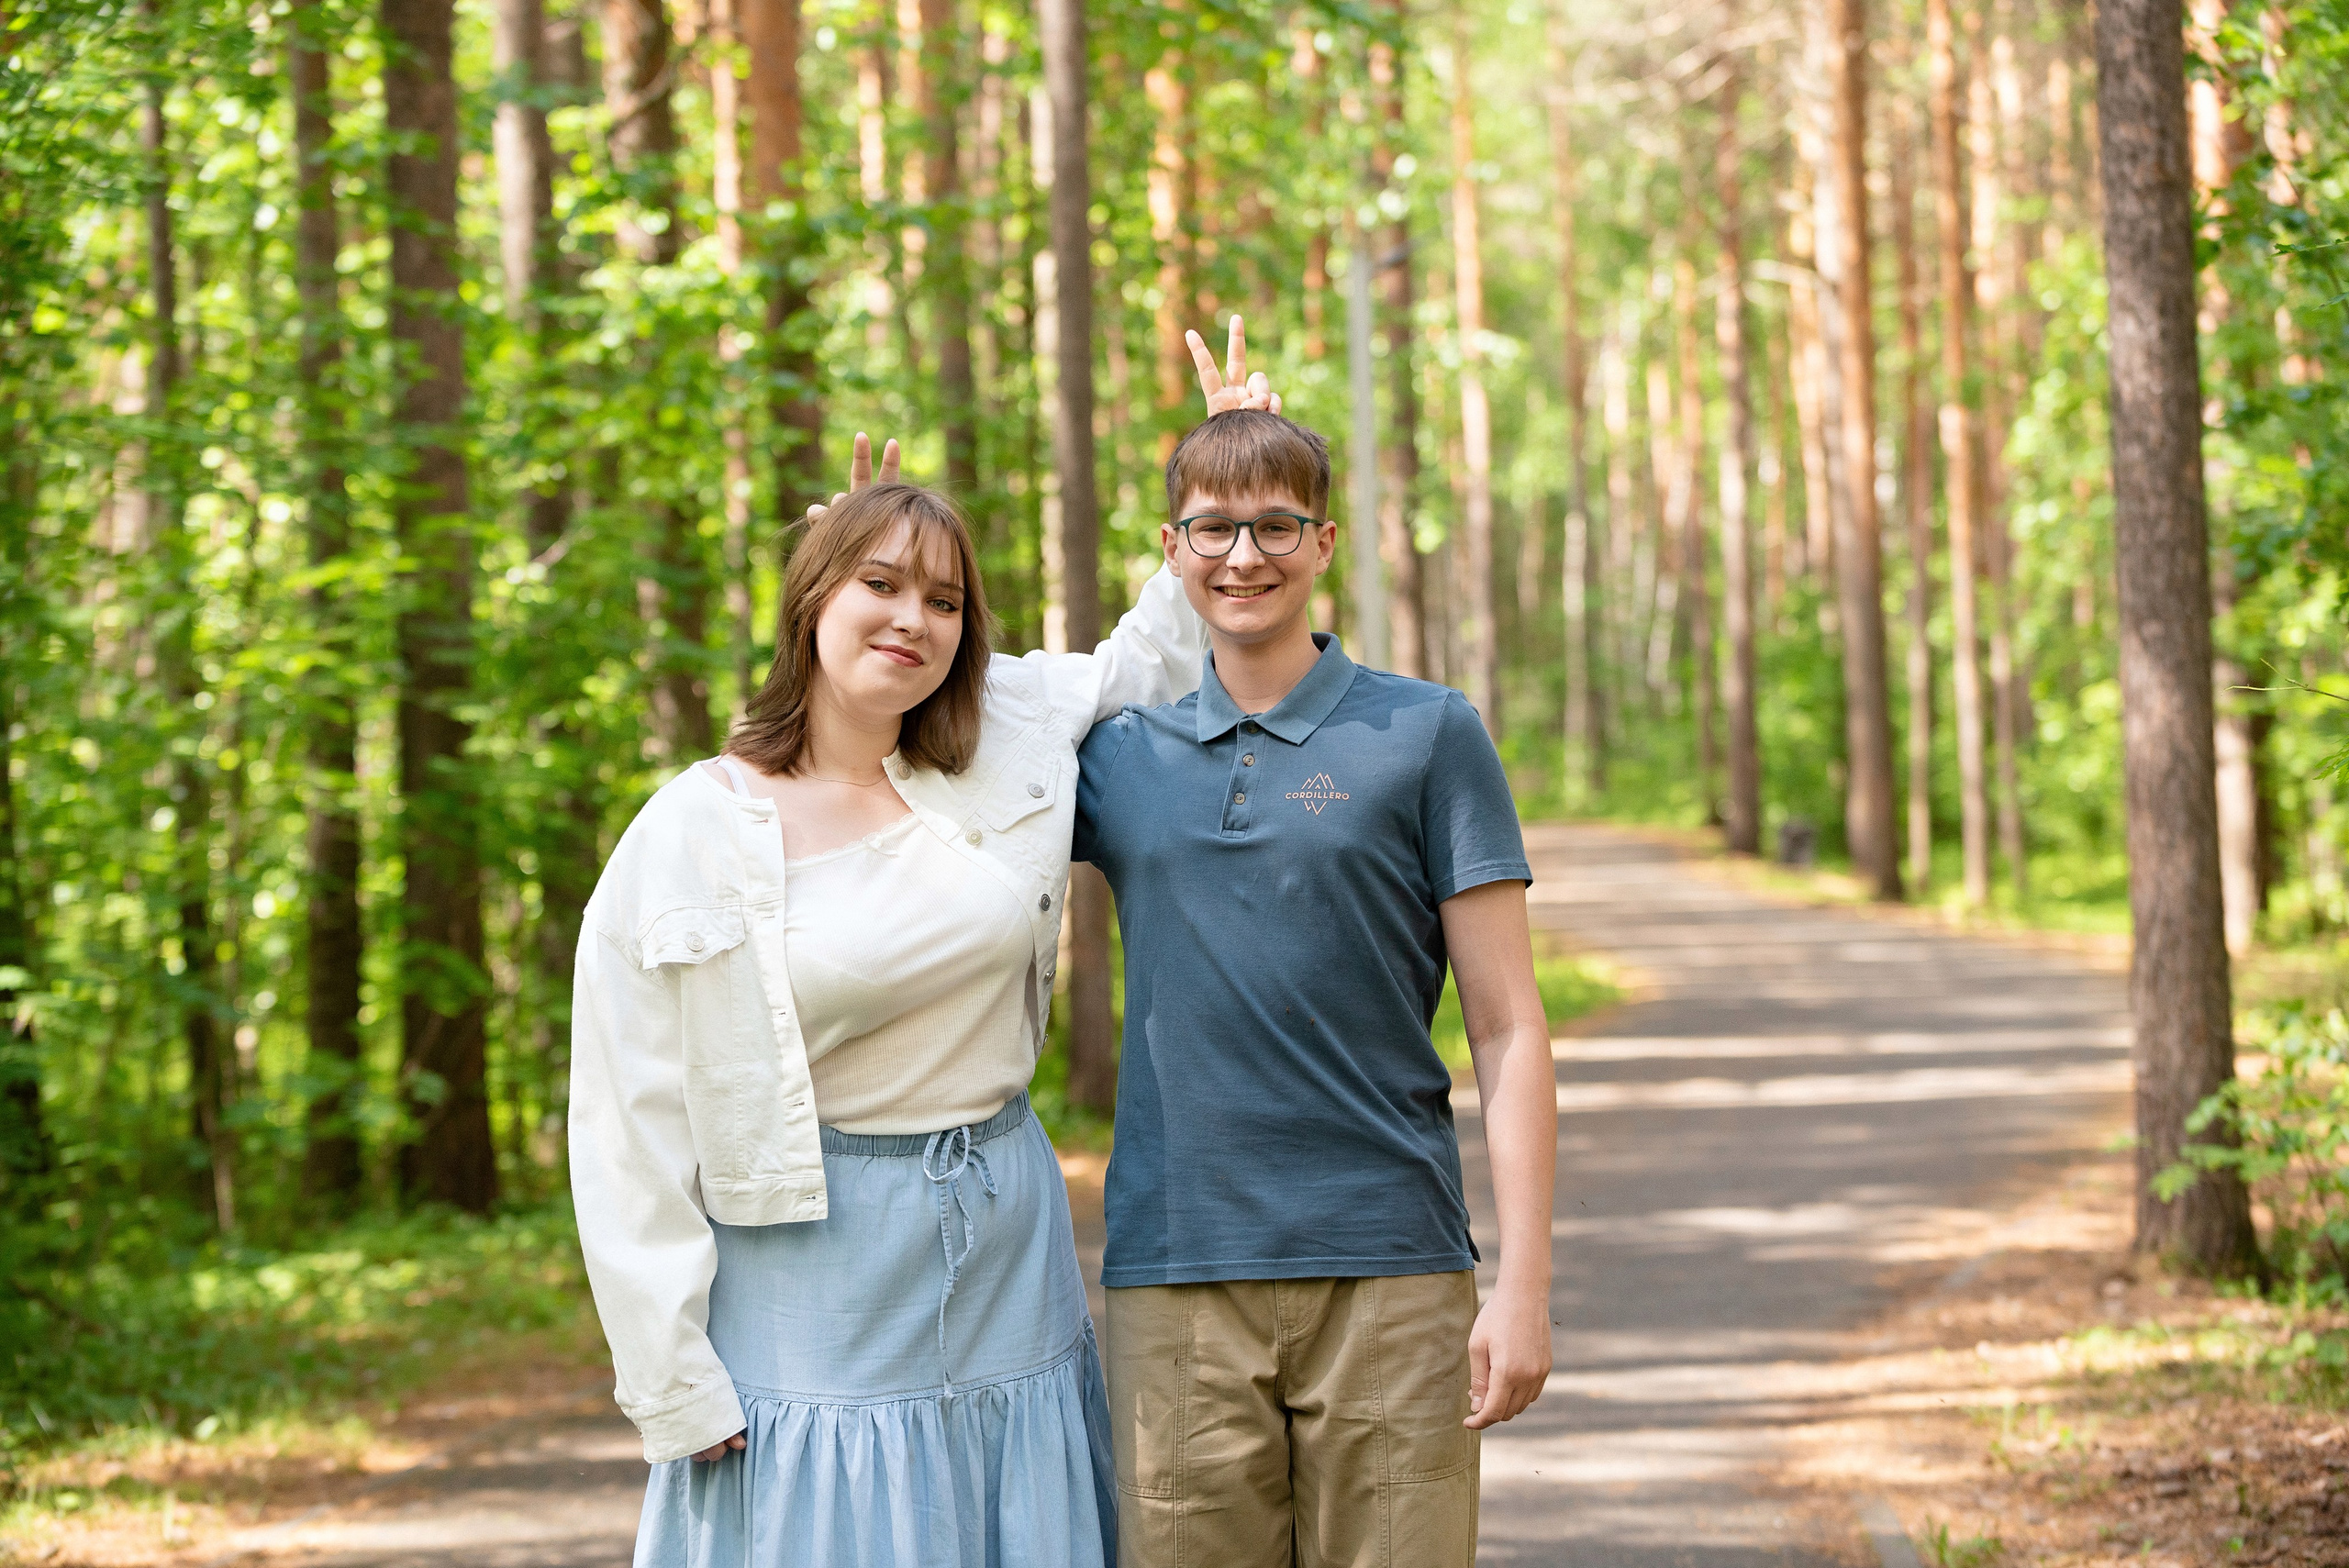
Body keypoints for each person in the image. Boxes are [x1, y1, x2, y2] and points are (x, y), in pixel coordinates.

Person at [567, 328, 1281, 1568]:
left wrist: (1219, 488)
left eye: (944, 599)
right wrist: (670, 1375)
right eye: (878, 584)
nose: (913, 619)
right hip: (810, 1256)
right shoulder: (698, 828)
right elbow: (627, 1121)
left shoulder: (1002, 728)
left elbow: (1154, 657)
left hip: (1005, 1230)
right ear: (812, 600)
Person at [1073, 407, 1560, 1568]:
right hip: (1176, 1272)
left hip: (1390, 1270)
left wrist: (1526, 1284)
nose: (1245, 555)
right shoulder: (1115, 755)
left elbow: (1507, 1024)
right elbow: (926, 752)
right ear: (1172, 546)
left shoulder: (1427, 732)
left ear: (1325, 539)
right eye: (1214, 529)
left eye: (1275, 525)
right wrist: (851, 572)